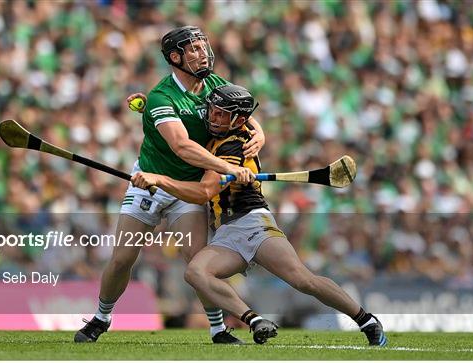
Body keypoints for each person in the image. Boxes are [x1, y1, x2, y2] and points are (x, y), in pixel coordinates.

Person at [131, 84, 388, 346]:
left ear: (239, 120)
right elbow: (181, 131)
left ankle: (366, 320)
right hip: (226, 233)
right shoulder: (215, 138)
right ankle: (254, 320)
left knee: (303, 280)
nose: (213, 117)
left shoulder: (234, 146)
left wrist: (159, 179)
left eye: (221, 114)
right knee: (196, 273)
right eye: (212, 111)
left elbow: (203, 193)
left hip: (253, 223)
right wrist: (151, 110)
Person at [75, 26, 266, 344]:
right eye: (193, 49)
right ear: (175, 57)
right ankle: (101, 317)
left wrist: (260, 134)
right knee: (123, 258)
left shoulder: (215, 84)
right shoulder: (162, 97)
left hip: (188, 189)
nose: (202, 53)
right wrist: (227, 169)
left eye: (202, 46)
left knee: (198, 259)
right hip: (149, 182)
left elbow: (242, 112)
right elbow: (181, 146)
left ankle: (218, 329)